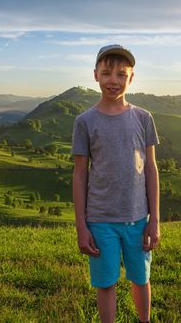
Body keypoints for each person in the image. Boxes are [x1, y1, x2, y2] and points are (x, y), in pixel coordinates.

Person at [72, 44, 160, 323]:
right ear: (95, 75)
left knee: (140, 277)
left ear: (131, 78)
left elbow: (151, 169)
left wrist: (154, 219)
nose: (114, 80)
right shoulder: (85, 122)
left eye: (121, 74)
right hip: (100, 220)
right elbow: (80, 174)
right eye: (107, 73)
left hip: (137, 218)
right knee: (106, 283)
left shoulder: (143, 118)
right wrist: (82, 226)